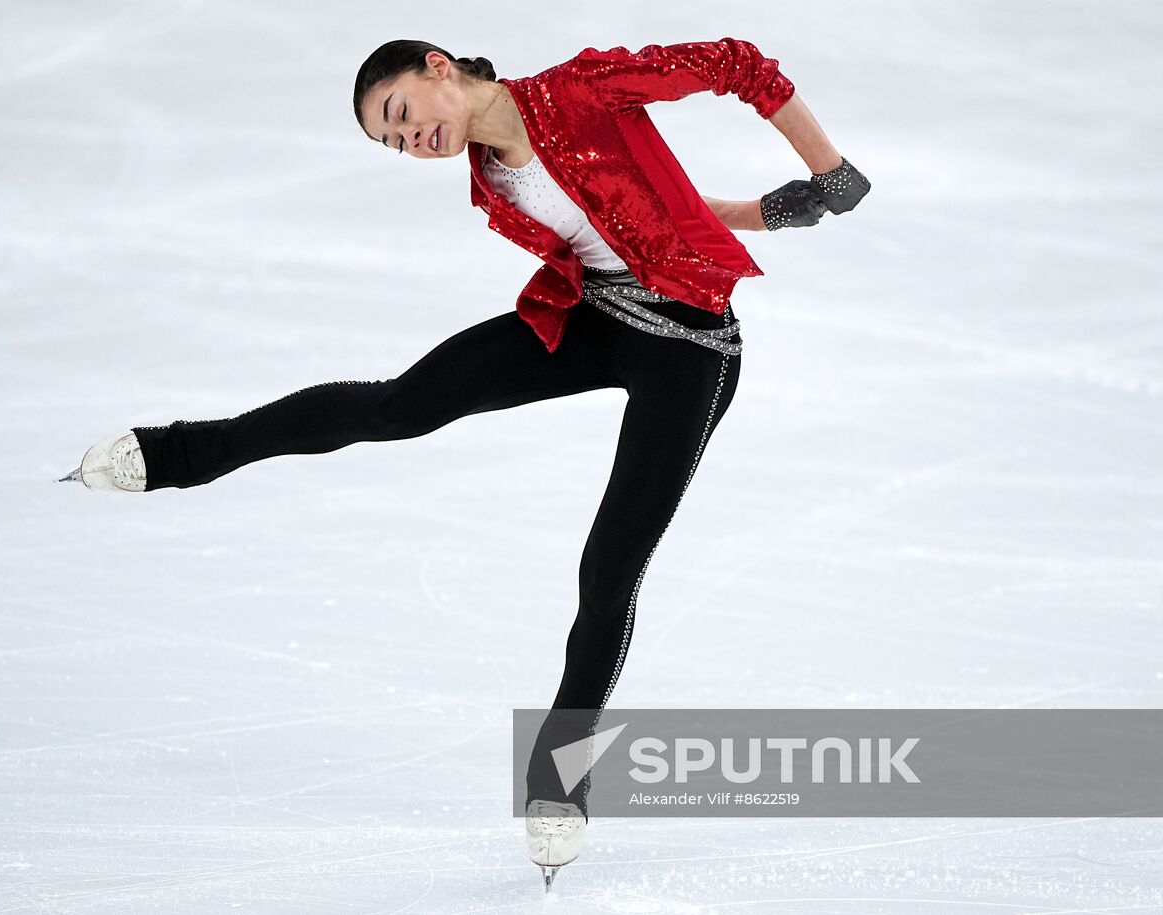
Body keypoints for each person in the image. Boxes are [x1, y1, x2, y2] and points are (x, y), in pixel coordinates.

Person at [59, 36, 869, 891]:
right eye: (393, 143)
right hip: (587, 318)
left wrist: (830, 172)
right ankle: (177, 452)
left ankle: (560, 782)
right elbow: (632, 208)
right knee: (397, 404)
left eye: (402, 115)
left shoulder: (582, 89)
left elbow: (739, 65)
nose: (410, 142)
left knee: (610, 565)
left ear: (439, 67)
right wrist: (765, 211)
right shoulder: (490, 176)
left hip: (691, 350)